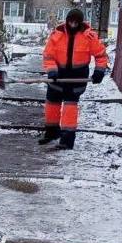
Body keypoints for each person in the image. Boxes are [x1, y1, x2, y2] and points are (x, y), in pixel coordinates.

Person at [39, 8, 108, 149]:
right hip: (57, 76)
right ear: (67, 21)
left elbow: (101, 56)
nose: (73, 24)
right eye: (71, 21)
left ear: (80, 22)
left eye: (76, 22)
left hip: (77, 79)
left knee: (70, 108)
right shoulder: (57, 36)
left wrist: (99, 71)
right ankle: (51, 133)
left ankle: (67, 139)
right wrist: (52, 71)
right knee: (52, 104)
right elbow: (48, 56)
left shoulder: (89, 37)